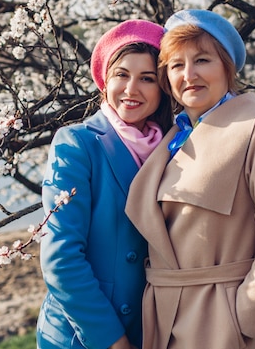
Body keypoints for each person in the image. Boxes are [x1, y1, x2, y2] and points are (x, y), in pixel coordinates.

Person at [124, 9, 255, 349]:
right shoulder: (171, 137)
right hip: (163, 319)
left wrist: (243, 320)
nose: (189, 75)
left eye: (202, 60)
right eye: (177, 65)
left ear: (227, 67)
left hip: (223, 323)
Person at [36, 19, 172, 349]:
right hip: (84, 335)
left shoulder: (174, 146)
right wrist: (112, 341)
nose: (131, 89)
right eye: (121, 75)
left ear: (163, 88)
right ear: (104, 82)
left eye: (147, 78)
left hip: (151, 329)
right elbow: (61, 258)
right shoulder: (76, 143)